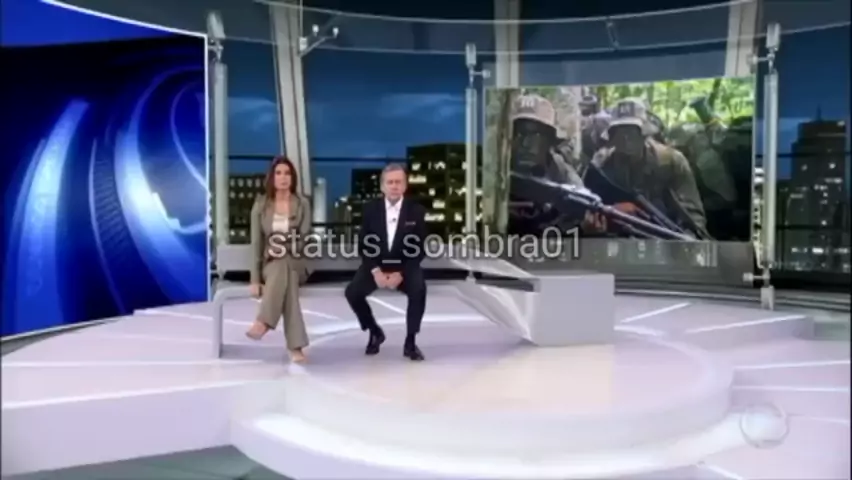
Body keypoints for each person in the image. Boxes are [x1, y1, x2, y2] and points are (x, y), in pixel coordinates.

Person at [585, 98, 709, 239]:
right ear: (612, 136)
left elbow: (693, 216)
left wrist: (686, 240)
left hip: (666, 236)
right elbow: (589, 208)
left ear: (644, 133)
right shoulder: (602, 165)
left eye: (632, 131)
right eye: (619, 131)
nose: (626, 138)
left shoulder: (671, 162)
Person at [344, 163, 428, 361]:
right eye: (390, 182)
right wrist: (375, 271)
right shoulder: (370, 209)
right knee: (352, 293)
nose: (394, 186)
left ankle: (410, 341)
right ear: (382, 186)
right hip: (376, 265)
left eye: (398, 182)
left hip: (405, 266)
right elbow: (364, 245)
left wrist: (401, 273)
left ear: (405, 185)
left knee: (418, 290)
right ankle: (374, 331)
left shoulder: (416, 211)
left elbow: (418, 248)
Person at [245, 156, 312, 363]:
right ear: (272, 178)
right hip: (271, 265)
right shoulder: (261, 205)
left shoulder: (302, 204)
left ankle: (264, 321)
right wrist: (255, 279)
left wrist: (281, 248)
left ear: (293, 178)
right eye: (279, 173)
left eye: (287, 173)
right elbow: (256, 243)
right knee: (284, 273)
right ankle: (295, 346)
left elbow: (303, 240)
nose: (283, 177)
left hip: (297, 262)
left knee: (286, 267)